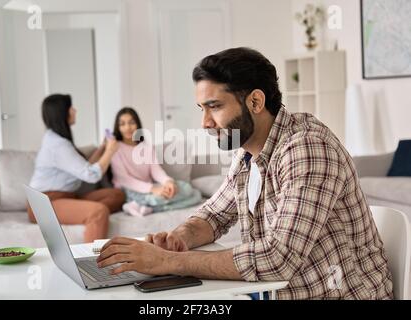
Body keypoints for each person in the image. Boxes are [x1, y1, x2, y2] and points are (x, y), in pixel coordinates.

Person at [96, 48, 393, 300]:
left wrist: (168, 262)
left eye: (214, 107)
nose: (205, 122)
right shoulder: (249, 151)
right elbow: (214, 215)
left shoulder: (307, 148)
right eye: (201, 108)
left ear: (255, 102)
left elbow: (278, 259)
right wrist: (178, 238)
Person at [28, 94, 125, 242]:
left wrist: (102, 149)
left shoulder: (58, 139)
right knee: (99, 212)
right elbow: (91, 175)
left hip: (68, 197)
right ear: (62, 113)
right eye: (70, 108)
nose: (75, 110)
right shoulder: (58, 145)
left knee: (117, 195)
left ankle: (84, 214)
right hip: (44, 204)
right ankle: (89, 260)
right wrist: (110, 151)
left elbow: (83, 169)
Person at [109, 107, 201, 217]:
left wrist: (168, 182)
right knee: (192, 196)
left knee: (188, 189)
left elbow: (155, 170)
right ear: (117, 127)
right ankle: (143, 204)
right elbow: (124, 179)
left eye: (131, 122)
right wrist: (152, 189)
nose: (127, 127)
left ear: (137, 124)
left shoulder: (146, 147)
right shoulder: (115, 148)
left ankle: (144, 207)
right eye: (122, 124)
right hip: (129, 190)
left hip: (149, 187)